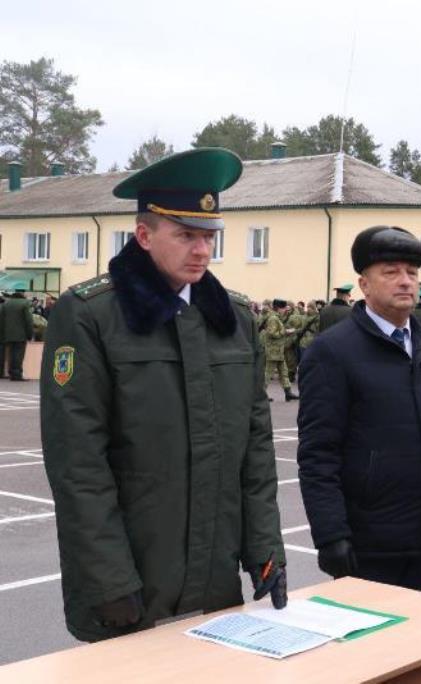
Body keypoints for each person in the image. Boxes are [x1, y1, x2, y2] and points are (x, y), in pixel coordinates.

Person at [40, 148, 286, 643]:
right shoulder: (91, 315)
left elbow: (255, 450)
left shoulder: (234, 321)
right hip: (132, 580)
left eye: (209, 237)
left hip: (214, 577)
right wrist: (108, 578)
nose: (202, 251)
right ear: (145, 235)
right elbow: (78, 463)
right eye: (186, 235)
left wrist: (265, 548)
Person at [298, 225, 421, 593]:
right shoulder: (333, 351)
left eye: (412, 273)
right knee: (371, 648)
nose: (405, 281)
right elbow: (318, 453)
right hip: (367, 542)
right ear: (364, 284)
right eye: (391, 272)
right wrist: (331, 534)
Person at [262, 299, 299, 402]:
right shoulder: (273, 318)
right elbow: (272, 333)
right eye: (283, 308)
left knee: (284, 372)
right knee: (268, 373)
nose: (285, 310)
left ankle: (288, 393)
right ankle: (260, 394)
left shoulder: (276, 317)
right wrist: (285, 331)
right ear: (278, 308)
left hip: (278, 351)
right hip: (273, 351)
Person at [1, 288, 34, 381]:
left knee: (11, 353)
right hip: (21, 334)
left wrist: (3, 334)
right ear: (23, 294)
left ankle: (12, 373)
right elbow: (29, 320)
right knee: (19, 354)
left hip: (8, 334)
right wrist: (30, 334)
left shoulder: (6, 304)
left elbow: (2, 320)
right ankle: (17, 374)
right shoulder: (25, 303)